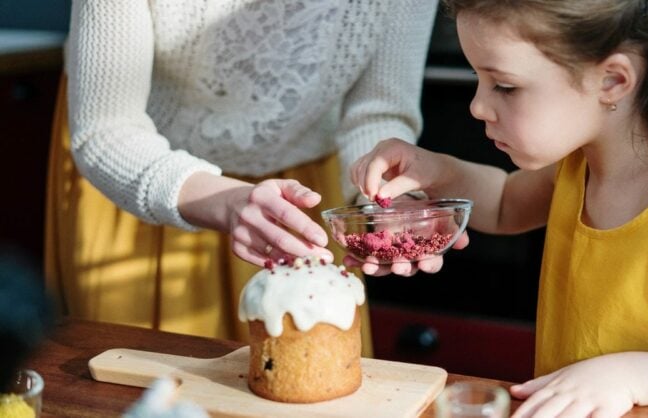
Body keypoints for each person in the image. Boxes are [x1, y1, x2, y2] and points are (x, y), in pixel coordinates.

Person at [349, 0, 648, 416]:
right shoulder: (578, 169)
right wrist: (434, 169)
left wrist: (633, 376)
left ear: (612, 80)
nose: (478, 106)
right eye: (479, 80)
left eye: (504, 85)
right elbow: (505, 203)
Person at [45, 0, 438, 354]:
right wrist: (229, 202)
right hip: (148, 186)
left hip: (299, 205)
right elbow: (106, 130)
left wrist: (384, 200)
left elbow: (378, 111)